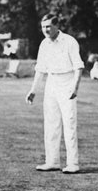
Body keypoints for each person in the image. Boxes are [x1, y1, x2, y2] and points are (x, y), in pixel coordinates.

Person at [25, 14, 84, 174]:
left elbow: (78, 66)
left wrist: (75, 87)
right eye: (43, 27)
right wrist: (33, 90)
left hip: (67, 82)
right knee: (51, 124)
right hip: (51, 84)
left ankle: (73, 164)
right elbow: (40, 69)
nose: (45, 30)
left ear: (57, 26)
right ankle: (52, 161)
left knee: (69, 123)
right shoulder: (44, 44)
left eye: (48, 26)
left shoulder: (70, 41)